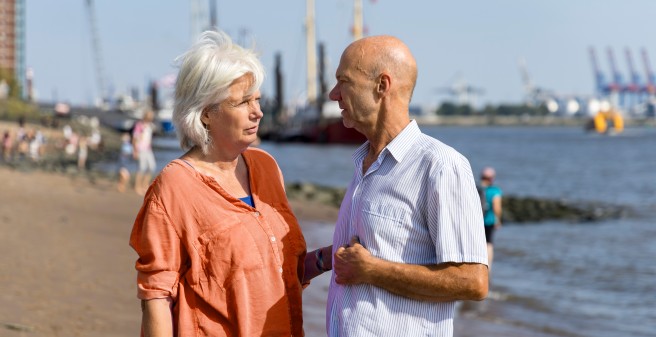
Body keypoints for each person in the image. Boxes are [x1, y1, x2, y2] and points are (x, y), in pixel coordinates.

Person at [129, 30, 330, 337]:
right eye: (243, 102)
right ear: (206, 113)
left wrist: (329, 258)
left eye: (258, 99)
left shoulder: (266, 168)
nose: (258, 112)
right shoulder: (175, 186)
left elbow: (282, 271)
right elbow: (156, 297)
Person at [325, 35, 489, 337]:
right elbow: (380, 246)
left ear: (382, 86)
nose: (333, 94)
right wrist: (314, 262)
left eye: (343, 81)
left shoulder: (441, 166)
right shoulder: (365, 163)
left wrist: (372, 270)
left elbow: (473, 281)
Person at [479, 166, 502, 270]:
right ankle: (488, 266)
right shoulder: (495, 191)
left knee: (479, 243)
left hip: (477, 221)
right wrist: (498, 219)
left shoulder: (476, 188)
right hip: (489, 220)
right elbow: (497, 207)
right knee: (489, 244)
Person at [132, 109, 157, 195]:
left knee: (152, 166)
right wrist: (135, 150)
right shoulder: (139, 125)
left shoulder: (150, 126)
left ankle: (145, 184)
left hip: (148, 149)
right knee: (141, 168)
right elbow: (135, 138)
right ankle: (137, 186)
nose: (151, 117)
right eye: (149, 116)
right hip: (141, 149)